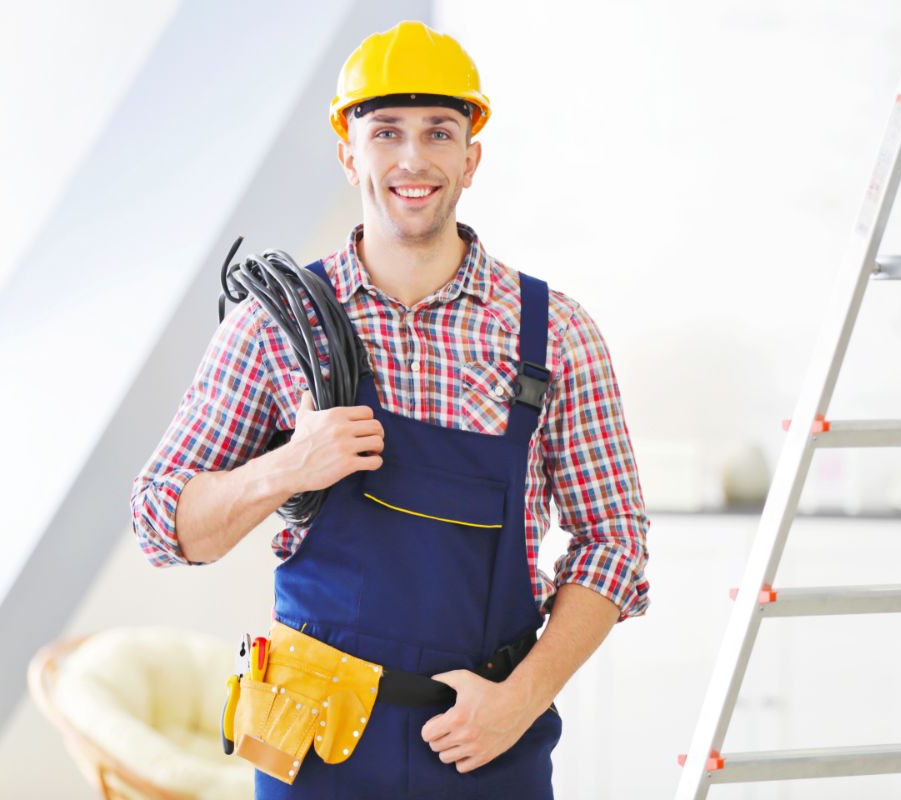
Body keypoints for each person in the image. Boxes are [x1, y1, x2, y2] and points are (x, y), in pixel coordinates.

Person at [130, 19, 649, 799]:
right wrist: (287, 467)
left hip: (482, 739)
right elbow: (160, 525)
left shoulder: (555, 334)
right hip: (307, 739)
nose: (413, 159)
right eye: (385, 132)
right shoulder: (277, 327)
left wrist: (520, 700)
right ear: (349, 155)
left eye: (439, 132)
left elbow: (615, 541)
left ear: (471, 158)